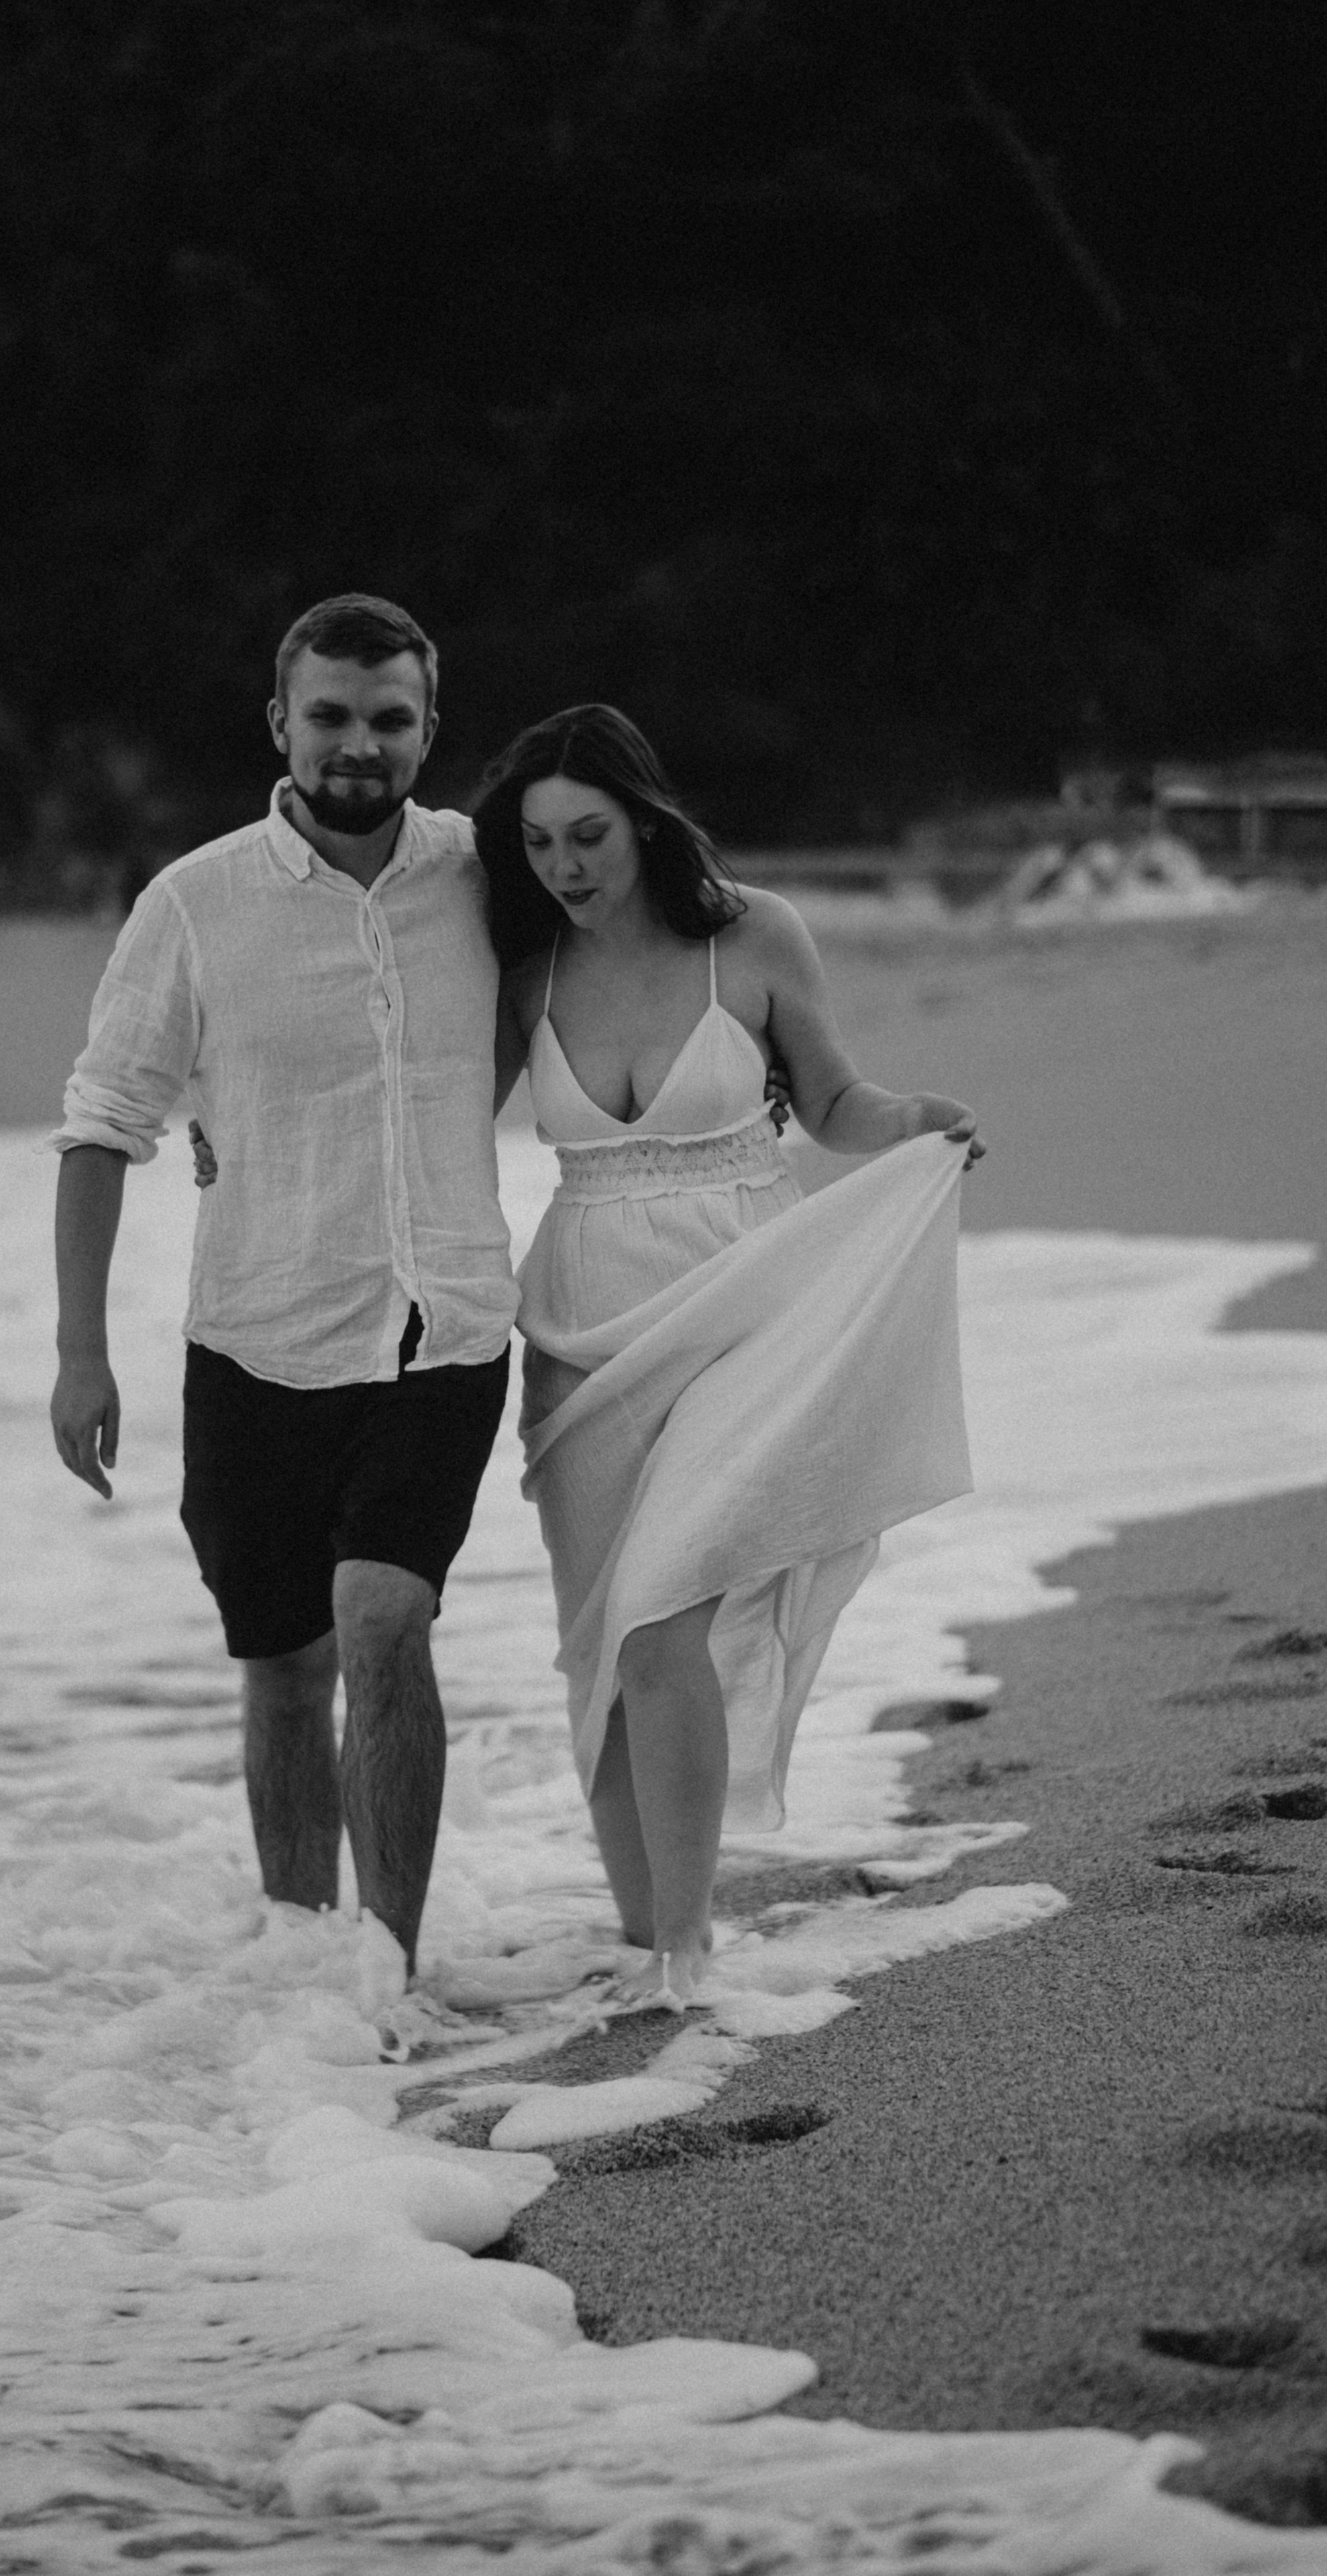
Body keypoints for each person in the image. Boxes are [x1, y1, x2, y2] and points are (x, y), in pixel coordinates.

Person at [479, 705, 984, 2010]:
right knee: (598, 1647)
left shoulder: (751, 936)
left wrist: (911, 1122)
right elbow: (424, 1125)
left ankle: (686, 1946)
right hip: (577, 1337)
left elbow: (828, 1103)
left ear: (642, 822)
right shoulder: (521, 967)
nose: (563, 866)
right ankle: (647, 1941)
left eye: (585, 835)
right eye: (536, 843)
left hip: (738, 1307)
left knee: (661, 1619)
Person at [48, 595, 517, 1976]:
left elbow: (639, 944)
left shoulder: (486, 877)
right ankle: (304, 1961)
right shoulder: (193, 905)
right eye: (330, 716)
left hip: (442, 1331)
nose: (358, 746)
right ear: (279, 724)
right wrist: (82, 1354)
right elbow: (101, 1125)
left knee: (383, 1618)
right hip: (253, 1337)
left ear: (430, 725)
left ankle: (391, 1971)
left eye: (389, 719)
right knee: (283, 1663)